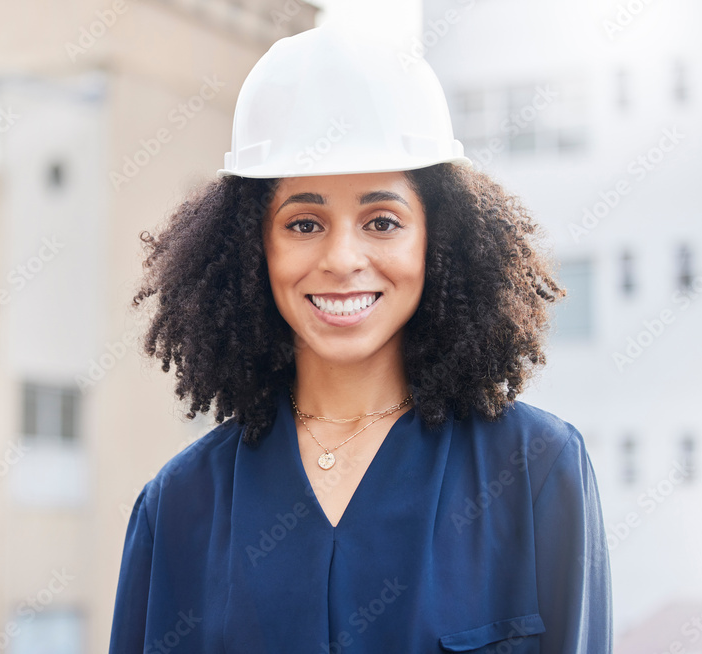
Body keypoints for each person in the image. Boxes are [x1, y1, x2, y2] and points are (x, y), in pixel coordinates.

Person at [108, 19, 612, 654]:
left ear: (440, 237)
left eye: (381, 220)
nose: (343, 258)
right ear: (249, 246)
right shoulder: (178, 509)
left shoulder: (535, 471)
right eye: (303, 223)